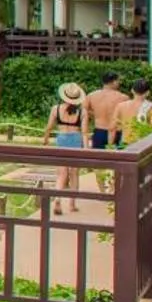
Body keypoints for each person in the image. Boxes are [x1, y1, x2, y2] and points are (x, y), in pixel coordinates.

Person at [45, 80, 88, 213]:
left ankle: (57, 198)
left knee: (61, 174)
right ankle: (72, 204)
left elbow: (49, 127)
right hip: (76, 139)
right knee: (74, 173)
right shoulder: (82, 112)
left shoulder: (55, 109)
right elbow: (85, 132)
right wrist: (86, 148)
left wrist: (45, 139)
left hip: (61, 139)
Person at [118, 78, 152, 146]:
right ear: (148, 93)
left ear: (132, 90)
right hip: (142, 145)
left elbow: (116, 126)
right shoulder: (151, 108)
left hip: (125, 143)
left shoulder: (121, 106)